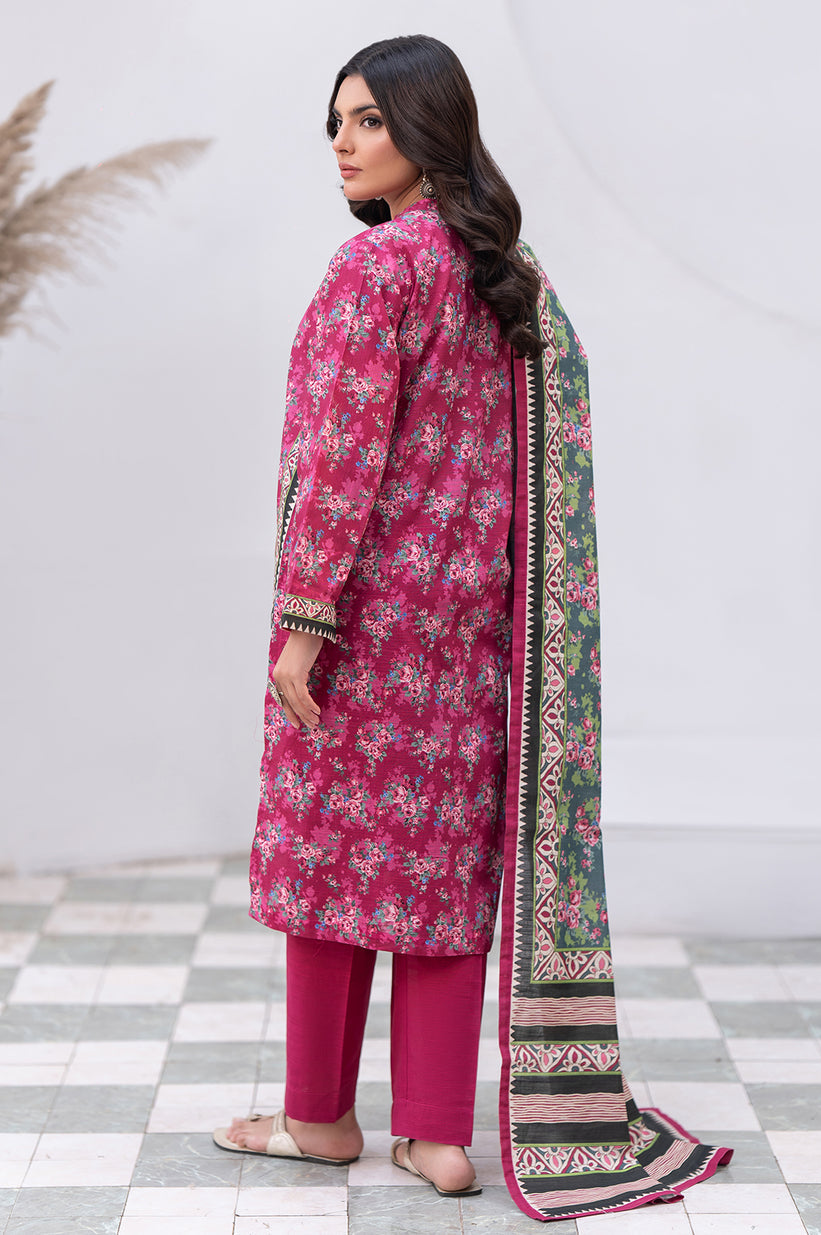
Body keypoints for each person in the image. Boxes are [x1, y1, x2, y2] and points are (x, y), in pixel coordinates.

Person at [214, 34, 732, 1222]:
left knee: (330, 865)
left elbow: (339, 462)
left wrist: (302, 620)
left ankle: (319, 1117)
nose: (341, 145)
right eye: (333, 125)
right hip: (470, 637)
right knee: (440, 870)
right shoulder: (507, 275)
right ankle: (439, 1137)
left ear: (425, 129)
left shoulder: (376, 272)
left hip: (360, 627)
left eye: (366, 122)